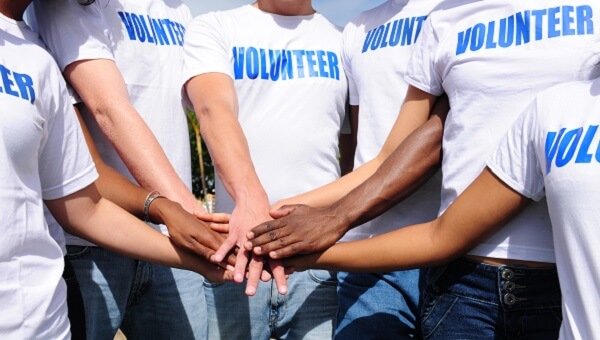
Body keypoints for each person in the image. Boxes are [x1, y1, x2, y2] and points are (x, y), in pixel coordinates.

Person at [247, 1, 600, 337]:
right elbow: (407, 148)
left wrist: (328, 223)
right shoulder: (445, 17)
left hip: (566, 276)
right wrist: (321, 218)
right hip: (460, 280)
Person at [282, 76, 600, 339]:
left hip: (540, 290)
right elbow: (442, 235)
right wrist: (302, 249)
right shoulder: (557, 110)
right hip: (459, 287)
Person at [0, 2, 233, 338]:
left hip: (41, 322)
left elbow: (84, 205)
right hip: (85, 257)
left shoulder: (38, 59)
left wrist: (185, 237)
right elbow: (108, 109)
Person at [182, 0, 349, 338]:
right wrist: (254, 202)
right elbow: (213, 108)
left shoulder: (346, 42)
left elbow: (355, 156)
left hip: (317, 260)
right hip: (237, 254)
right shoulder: (216, 26)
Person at [304, 1, 446, 338]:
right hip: (371, 254)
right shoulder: (356, 29)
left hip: (459, 252)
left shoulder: (460, 13)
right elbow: (361, 148)